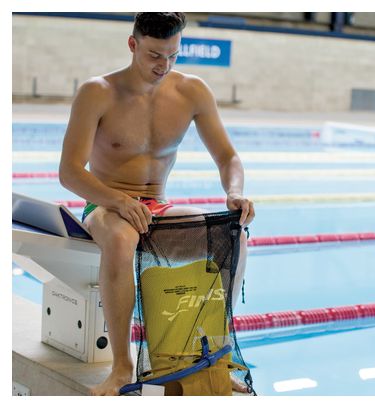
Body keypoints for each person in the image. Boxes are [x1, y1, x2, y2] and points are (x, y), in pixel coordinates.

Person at [59, 12, 255, 396]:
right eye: (154, 56)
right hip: (105, 204)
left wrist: (234, 192)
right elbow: (69, 172)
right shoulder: (97, 92)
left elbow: (228, 157)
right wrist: (116, 200)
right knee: (120, 239)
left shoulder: (192, 92)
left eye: (173, 56)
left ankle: (213, 359)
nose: (163, 66)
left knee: (233, 235)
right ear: (133, 45)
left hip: (156, 206)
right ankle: (121, 368)